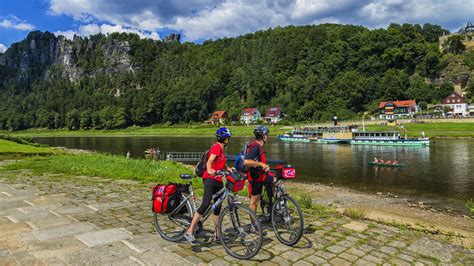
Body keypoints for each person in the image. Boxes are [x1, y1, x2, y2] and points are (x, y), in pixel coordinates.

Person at [184, 127, 233, 245]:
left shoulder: (221, 149)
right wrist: (210, 170)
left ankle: (217, 234)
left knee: (217, 208)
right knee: (206, 204)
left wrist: (228, 168)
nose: (229, 139)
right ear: (225, 139)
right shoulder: (216, 147)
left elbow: (221, 161)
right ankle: (190, 231)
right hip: (210, 179)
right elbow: (210, 161)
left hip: (218, 180)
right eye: (228, 137)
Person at [244, 125, 272, 222]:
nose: (267, 137)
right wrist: (261, 164)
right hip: (255, 178)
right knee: (254, 202)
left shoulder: (256, 146)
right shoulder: (256, 146)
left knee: (274, 180)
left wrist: (264, 166)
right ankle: (253, 224)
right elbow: (246, 161)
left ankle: (270, 204)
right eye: (266, 135)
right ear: (263, 136)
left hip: (259, 176)